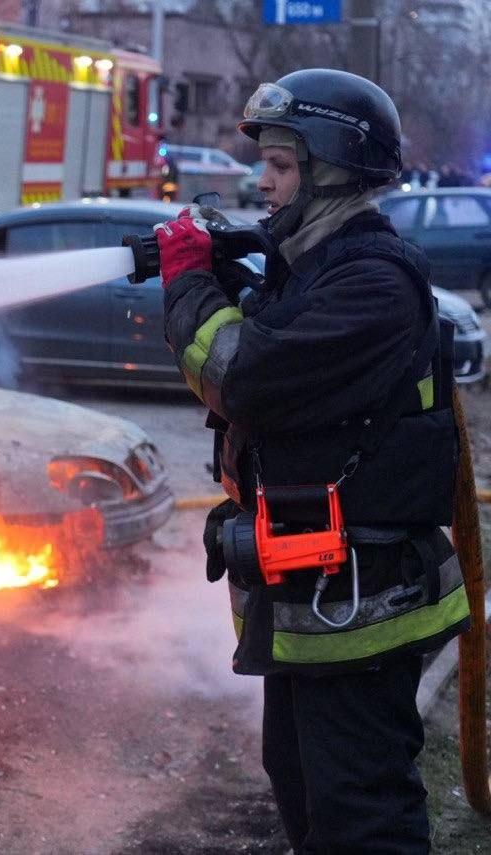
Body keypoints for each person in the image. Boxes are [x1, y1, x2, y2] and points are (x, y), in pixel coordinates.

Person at [155, 69, 471, 853]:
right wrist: (229, 268)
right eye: (264, 162)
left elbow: (241, 377)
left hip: (363, 608)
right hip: (312, 599)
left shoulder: (372, 284)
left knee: (360, 813)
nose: (261, 181)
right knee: (300, 788)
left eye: (282, 164)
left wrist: (191, 283)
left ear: (333, 169)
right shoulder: (312, 267)